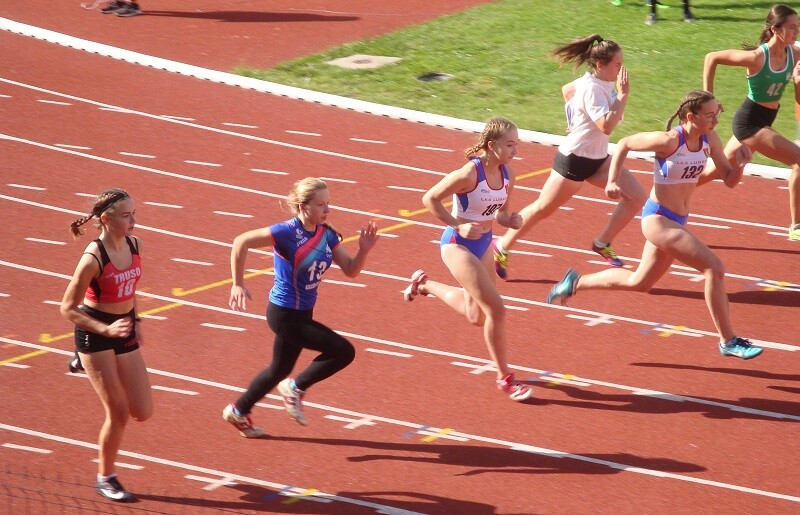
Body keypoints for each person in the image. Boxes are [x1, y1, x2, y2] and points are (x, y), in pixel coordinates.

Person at [547, 90, 764, 360]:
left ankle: (574, 283)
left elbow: (729, 180)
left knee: (640, 282)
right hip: (658, 219)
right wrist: (613, 180)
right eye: (709, 114)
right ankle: (728, 340)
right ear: (690, 116)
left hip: (678, 219)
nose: (715, 119)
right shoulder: (669, 140)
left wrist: (740, 164)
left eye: (717, 112)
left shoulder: (710, 139)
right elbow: (625, 143)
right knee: (714, 268)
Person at [222, 178, 379, 437]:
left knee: (279, 369)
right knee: (343, 351)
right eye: (321, 204)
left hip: (303, 312)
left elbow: (351, 270)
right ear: (302, 206)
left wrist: (363, 251)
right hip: (284, 314)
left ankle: (239, 410)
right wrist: (237, 283)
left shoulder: (327, 234)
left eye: (328, 203)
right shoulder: (285, 232)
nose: (327, 209)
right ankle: (296, 387)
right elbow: (241, 242)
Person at [492, 34, 647, 279]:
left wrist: (572, 119)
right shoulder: (593, 89)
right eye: (618, 64)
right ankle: (502, 246)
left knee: (637, 196)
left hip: (598, 159)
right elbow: (606, 127)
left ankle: (602, 242)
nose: (622, 69)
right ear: (601, 65)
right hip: (574, 161)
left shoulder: (597, 81)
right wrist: (623, 95)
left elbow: (567, 91)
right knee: (543, 209)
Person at [402, 117, 533, 401]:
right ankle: (505, 378)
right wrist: (456, 224)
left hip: (484, 243)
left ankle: (423, 285)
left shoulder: (509, 175)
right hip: (457, 245)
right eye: (510, 144)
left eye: (516, 144)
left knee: (477, 316)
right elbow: (430, 198)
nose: (515, 150)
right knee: (496, 310)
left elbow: (499, 214)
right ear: (491, 145)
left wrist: (510, 219)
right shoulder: (469, 173)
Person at [61, 188, 152, 503]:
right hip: (96, 334)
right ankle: (106, 477)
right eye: (126, 216)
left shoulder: (135, 244)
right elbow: (68, 308)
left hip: (123, 328)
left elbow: (131, 289)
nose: (133, 221)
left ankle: (80, 359)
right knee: (118, 412)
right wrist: (105, 328)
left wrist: (135, 322)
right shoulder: (93, 258)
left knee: (142, 411)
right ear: (105, 219)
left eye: (134, 214)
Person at [702, 4, 800, 241]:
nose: (796, 32)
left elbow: (799, 99)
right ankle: (796, 226)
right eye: (792, 27)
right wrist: (708, 99)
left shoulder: (794, 54)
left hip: (765, 120)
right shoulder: (757, 57)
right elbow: (711, 57)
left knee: (716, 171)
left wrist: (797, 82)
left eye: (798, 27)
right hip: (750, 123)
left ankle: (668, 191)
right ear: (776, 29)